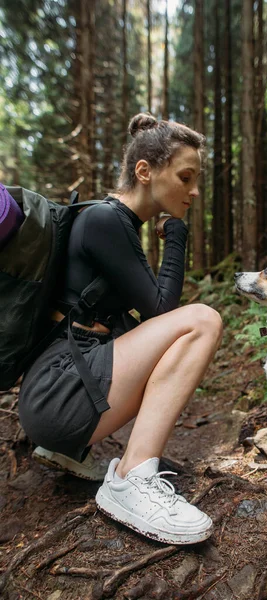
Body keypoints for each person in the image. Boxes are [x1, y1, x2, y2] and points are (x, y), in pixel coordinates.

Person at [18, 113, 223, 545]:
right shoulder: (105, 220)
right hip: (57, 397)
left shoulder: (112, 223)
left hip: (56, 398)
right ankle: (130, 479)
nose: (194, 190)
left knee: (154, 328)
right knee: (202, 321)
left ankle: (65, 451)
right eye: (186, 177)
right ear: (144, 171)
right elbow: (162, 310)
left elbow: (142, 319)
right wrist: (178, 237)